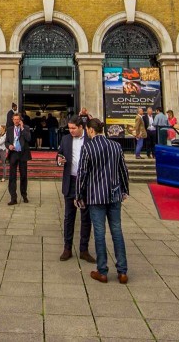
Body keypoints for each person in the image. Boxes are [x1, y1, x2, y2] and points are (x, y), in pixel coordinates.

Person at [77, 118, 130, 284]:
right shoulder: (116, 146)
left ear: (91, 130)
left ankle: (103, 271)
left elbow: (82, 173)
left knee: (99, 233)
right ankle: (122, 271)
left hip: (96, 196)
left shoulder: (88, 147)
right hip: (114, 194)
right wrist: (125, 190)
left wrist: (79, 195)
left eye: (87, 130)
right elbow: (123, 170)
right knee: (117, 231)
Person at [56, 114, 93, 263]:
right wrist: (59, 160)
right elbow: (59, 154)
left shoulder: (90, 139)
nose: (70, 131)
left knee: (86, 217)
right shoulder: (65, 139)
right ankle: (67, 248)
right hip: (70, 181)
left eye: (73, 128)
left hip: (86, 182)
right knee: (68, 217)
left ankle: (84, 249)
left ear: (81, 127)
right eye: (69, 128)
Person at [6, 113, 32, 205]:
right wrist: (9, 146)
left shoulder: (26, 128)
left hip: (23, 154)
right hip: (13, 154)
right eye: (15, 119)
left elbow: (28, 139)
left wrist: (22, 128)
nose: (16, 121)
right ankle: (13, 197)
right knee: (12, 176)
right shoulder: (9, 130)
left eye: (18, 119)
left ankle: (24, 195)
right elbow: (6, 142)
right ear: (12, 120)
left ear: (20, 120)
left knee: (23, 176)